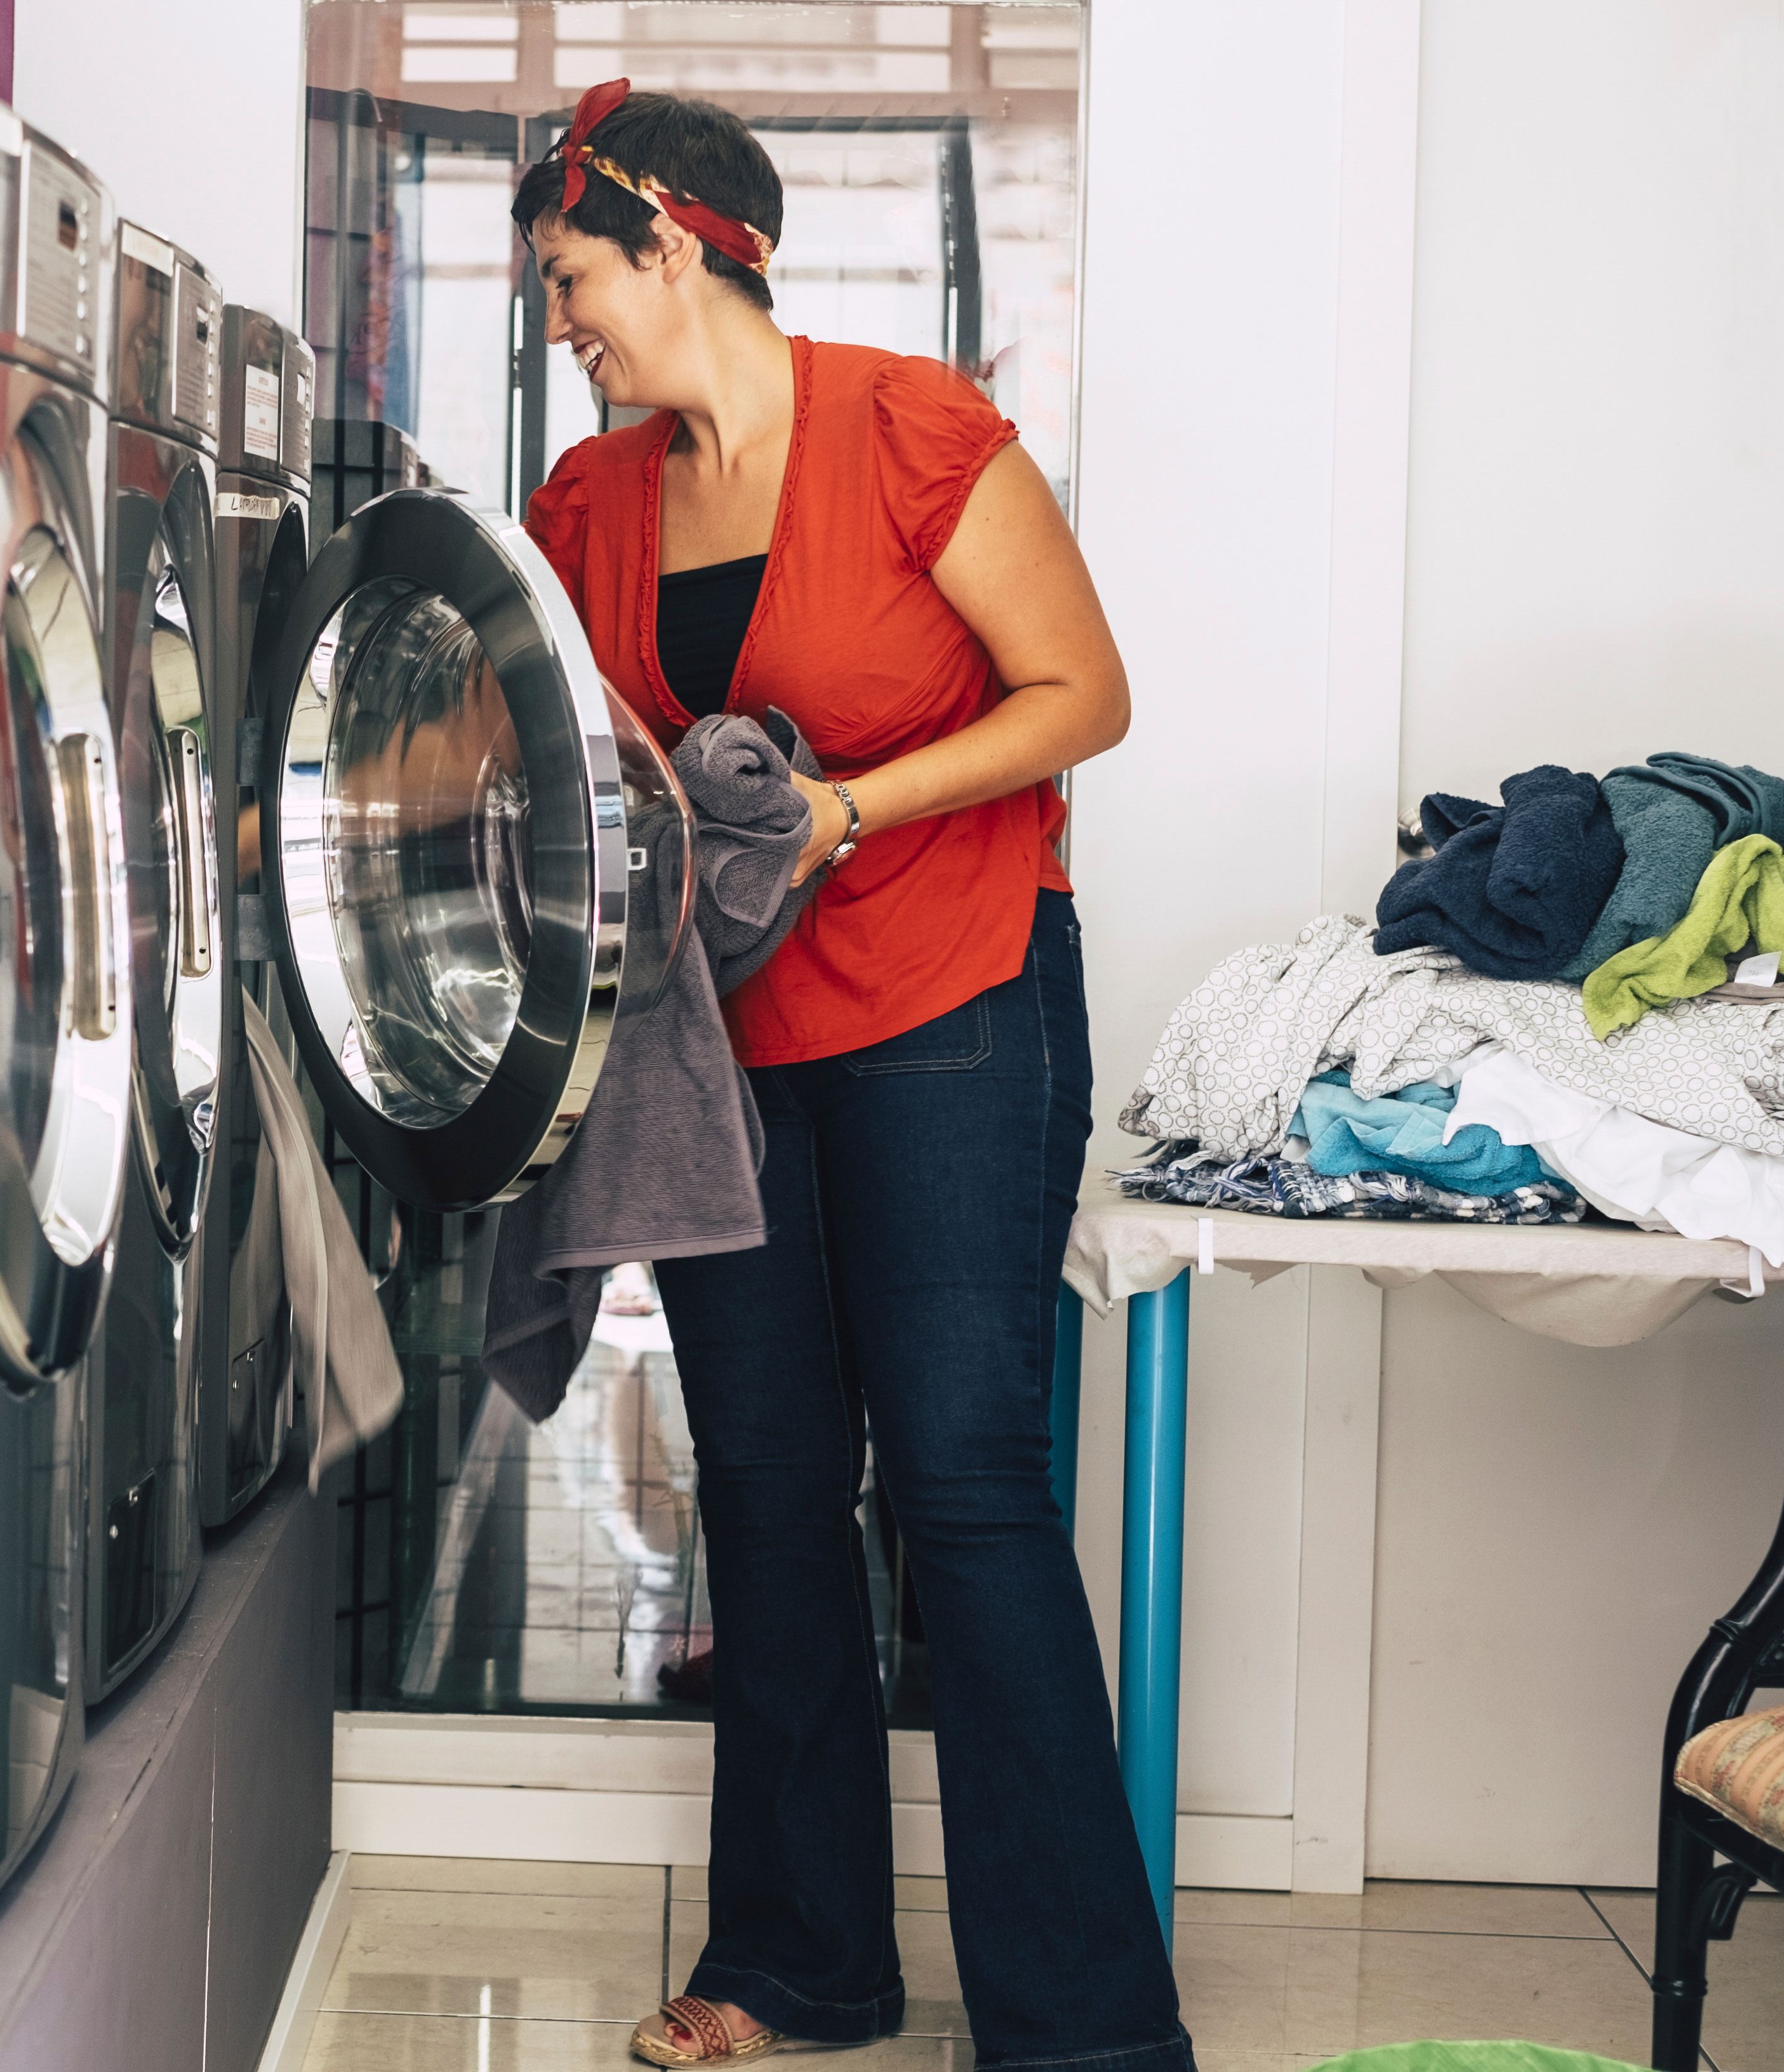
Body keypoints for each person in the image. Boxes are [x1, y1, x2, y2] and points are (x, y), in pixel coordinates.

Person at [509, 82, 1189, 2071]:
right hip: (723, 1053)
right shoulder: (590, 499)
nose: (564, 324)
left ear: (681, 242)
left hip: (955, 1002)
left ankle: (1076, 2029)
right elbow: (581, 756)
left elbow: (1089, 696)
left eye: (571, 280)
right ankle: (800, 1959)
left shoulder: (912, 431)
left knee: (967, 1488)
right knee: (774, 1487)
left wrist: (847, 808)